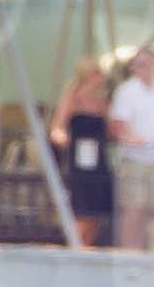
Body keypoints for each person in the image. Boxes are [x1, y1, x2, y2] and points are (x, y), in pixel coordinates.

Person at [108, 49, 154, 252]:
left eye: (147, 64)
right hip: (135, 159)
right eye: (139, 65)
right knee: (134, 206)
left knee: (151, 207)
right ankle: (129, 249)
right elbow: (117, 124)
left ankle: (141, 246)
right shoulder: (127, 91)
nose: (143, 69)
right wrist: (130, 137)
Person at [48, 56, 113, 248]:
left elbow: (109, 129)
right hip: (78, 159)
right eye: (95, 73)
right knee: (81, 208)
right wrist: (64, 139)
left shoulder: (101, 100)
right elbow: (57, 128)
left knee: (95, 211)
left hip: (97, 158)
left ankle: (88, 245)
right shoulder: (73, 97)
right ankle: (76, 246)